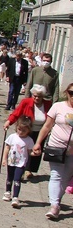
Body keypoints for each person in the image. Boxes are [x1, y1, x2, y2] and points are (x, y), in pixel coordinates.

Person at [31, 81, 73, 220]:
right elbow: (47, 126)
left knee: (65, 179)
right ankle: (54, 206)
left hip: (72, 152)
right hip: (56, 147)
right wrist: (38, 143)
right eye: (71, 93)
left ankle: (57, 200)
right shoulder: (58, 106)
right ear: (67, 93)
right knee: (56, 175)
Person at [3, 84, 52, 180]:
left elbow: (51, 117)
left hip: (40, 131)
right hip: (27, 130)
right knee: (23, 151)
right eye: (35, 96)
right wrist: (9, 122)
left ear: (43, 96)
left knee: (36, 151)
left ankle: (29, 170)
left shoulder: (48, 104)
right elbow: (17, 113)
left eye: (39, 96)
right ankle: (21, 170)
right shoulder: (26, 102)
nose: (37, 98)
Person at [1, 116, 35, 208]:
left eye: (24, 130)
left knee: (17, 179)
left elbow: (30, 151)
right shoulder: (12, 137)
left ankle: (15, 197)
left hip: (21, 163)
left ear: (28, 130)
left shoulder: (29, 140)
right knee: (9, 177)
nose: (20, 132)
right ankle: (7, 192)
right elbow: (7, 148)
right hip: (11, 161)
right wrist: (4, 159)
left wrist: (35, 153)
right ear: (16, 127)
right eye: (19, 129)